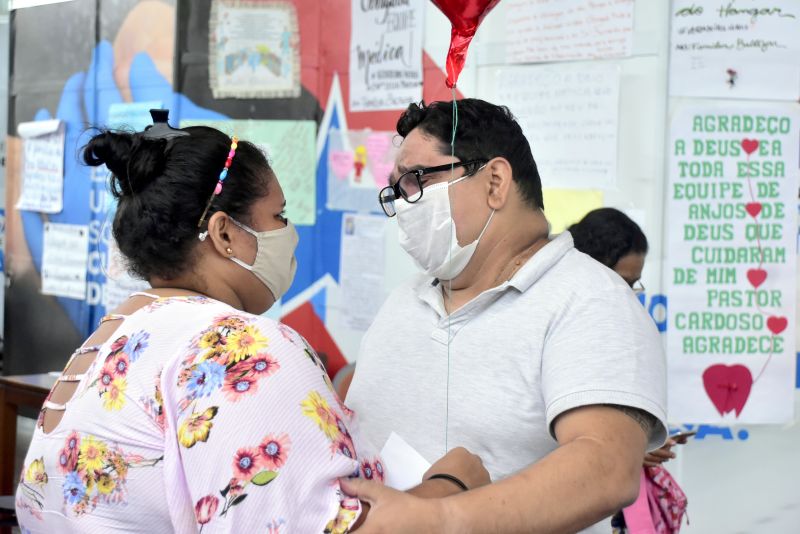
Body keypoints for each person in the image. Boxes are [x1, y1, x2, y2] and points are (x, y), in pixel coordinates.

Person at [15, 112, 488, 533]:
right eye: (278, 215)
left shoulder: (114, 334)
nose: (290, 234)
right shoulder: (238, 347)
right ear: (223, 233)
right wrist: (448, 489)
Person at [344, 99, 668, 533]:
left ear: (495, 181)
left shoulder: (591, 301)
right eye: (395, 191)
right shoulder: (404, 300)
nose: (404, 205)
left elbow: (606, 466)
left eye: (416, 181)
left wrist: (439, 518)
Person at [568, 208, 689, 533]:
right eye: (621, 283)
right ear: (590, 268)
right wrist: (628, 450)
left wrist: (643, 442)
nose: (628, 297)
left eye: (634, 285)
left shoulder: (617, 328)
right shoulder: (559, 329)